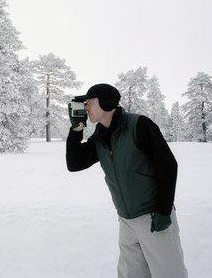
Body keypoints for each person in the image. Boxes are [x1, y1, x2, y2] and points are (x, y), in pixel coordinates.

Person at [66, 83, 188, 278]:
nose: (86, 107)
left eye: (89, 102)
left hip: (153, 218)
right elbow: (74, 163)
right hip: (126, 221)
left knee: (168, 273)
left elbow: (168, 165)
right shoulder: (100, 136)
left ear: (105, 103)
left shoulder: (139, 125)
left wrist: (163, 210)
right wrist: (76, 129)